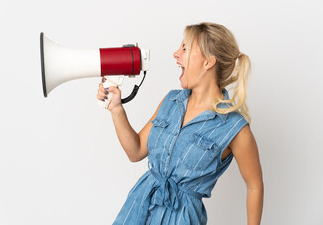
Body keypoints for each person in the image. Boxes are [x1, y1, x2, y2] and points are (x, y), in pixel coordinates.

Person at [97, 22, 264, 225]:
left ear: (208, 62)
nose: (176, 54)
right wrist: (116, 108)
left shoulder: (235, 128)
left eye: (185, 48)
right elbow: (136, 151)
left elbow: (254, 185)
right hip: (138, 208)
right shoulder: (171, 101)